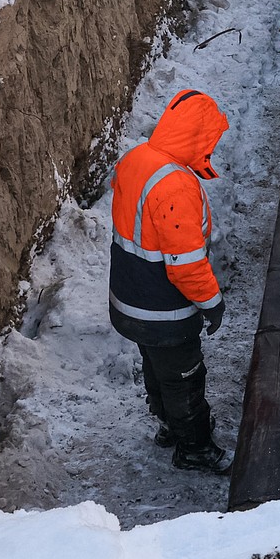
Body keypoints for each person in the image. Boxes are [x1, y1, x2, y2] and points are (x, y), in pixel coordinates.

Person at [108, 88, 232, 475]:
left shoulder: (139, 158)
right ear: (196, 136)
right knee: (185, 378)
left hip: (129, 297)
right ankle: (193, 445)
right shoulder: (176, 186)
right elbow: (186, 265)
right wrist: (212, 303)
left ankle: (167, 424)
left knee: (156, 365)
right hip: (163, 308)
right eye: (210, 140)